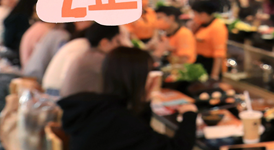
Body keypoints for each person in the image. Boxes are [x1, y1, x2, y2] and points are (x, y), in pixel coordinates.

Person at [59, 47, 198, 150]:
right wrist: (189, 114)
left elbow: (142, 134)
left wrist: (143, 99)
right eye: (148, 73)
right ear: (137, 79)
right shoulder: (119, 120)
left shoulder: (98, 107)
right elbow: (177, 147)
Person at [61, 24, 123, 98]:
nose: (120, 46)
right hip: (78, 103)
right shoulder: (100, 59)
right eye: (118, 41)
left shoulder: (87, 55)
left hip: (70, 102)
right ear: (104, 43)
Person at [23, 21, 90, 80]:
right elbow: (61, 66)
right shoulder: (61, 36)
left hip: (30, 75)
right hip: (37, 79)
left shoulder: (52, 33)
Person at [43, 23, 94, 95]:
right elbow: (66, 74)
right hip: (56, 90)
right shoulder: (82, 46)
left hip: (51, 88)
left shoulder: (78, 43)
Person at [191, 0, 228, 79]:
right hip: (199, 61)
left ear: (203, 14)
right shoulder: (201, 24)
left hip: (210, 64)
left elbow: (219, 55)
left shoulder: (217, 27)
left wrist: (214, 76)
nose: (194, 17)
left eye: (195, 14)